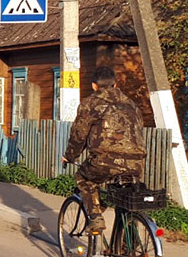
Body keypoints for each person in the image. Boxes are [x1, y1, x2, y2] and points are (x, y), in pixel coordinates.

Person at [62, 65, 146, 235]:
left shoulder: (90, 103)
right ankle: (127, 252)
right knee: (125, 202)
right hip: (136, 163)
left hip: (105, 160)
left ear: (94, 85)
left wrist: (70, 156)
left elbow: (79, 134)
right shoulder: (131, 104)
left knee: (85, 178)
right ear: (115, 85)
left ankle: (95, 217)